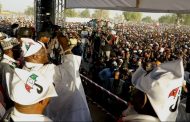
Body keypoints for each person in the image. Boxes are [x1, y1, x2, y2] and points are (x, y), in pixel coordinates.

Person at [20, 35, 92, 121]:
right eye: (43, 52)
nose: (46, 53)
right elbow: (71, 71)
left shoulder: (24, 70)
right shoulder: (49, 70)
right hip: (67, 115)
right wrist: (66, 47)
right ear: (35, 57)